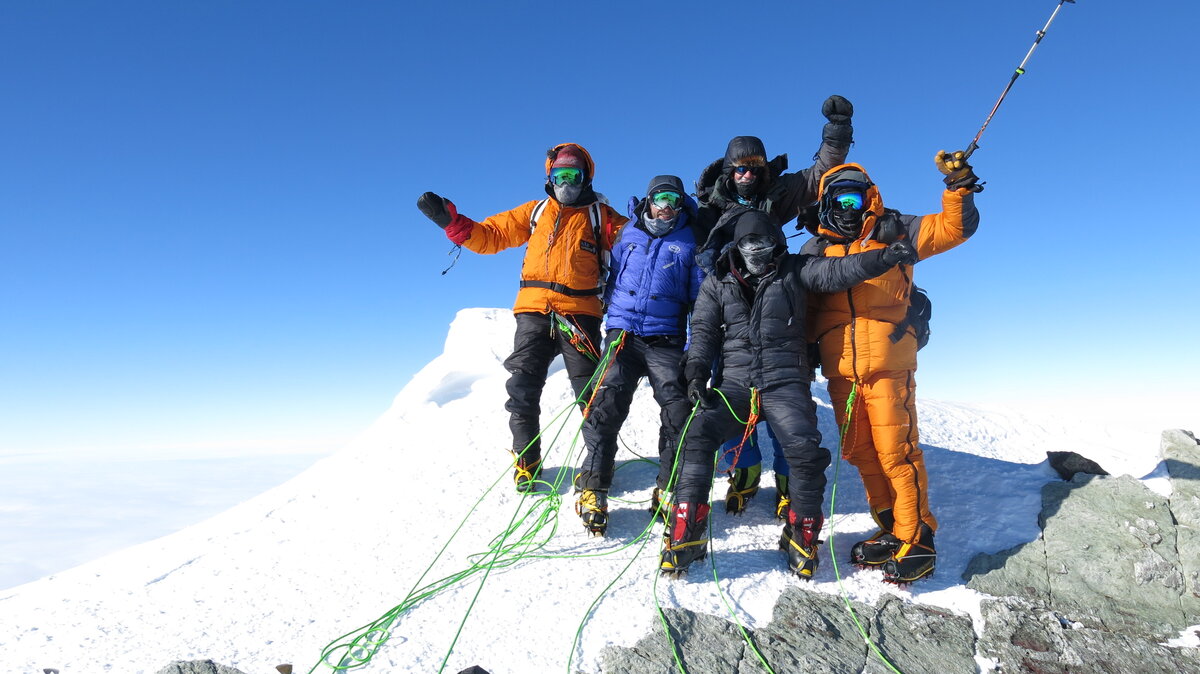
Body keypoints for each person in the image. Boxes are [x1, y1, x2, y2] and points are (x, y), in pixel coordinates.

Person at [660, 207, 916, 579]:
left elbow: (838, 271)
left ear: (777, 244)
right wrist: (697, 373)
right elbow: (703, 332)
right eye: (749, 242)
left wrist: (885, 257)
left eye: (764, 242)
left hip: (785, 383)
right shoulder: (717, 281)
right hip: (734, 385)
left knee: (804, 450)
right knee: (696, 434)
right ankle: (688, 530)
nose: (756, 249)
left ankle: (802, 532)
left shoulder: (795, 270)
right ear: (737, 245)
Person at [802, 153, 981, 584]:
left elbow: (955, 228)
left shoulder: (897, 230)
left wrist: (957, 187)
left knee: (896, 454)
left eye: (856, 197)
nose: (849, 208)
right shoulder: (816, 249)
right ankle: (891, 529)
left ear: (870, 197)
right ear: (826, 203)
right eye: (839, 200)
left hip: (888, 365)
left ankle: (917, 538)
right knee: (860, 452)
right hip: (841, 371)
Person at [416, 143, 627, 492]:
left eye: (573, 175)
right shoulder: (535, 212)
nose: (566, 182)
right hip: (533, 312)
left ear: (586, 177)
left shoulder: (602, 217)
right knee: (523, 390)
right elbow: (493, 235)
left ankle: (599, 464)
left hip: (580, 314)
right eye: (559, 175)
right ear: (549, 176)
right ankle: (526, 463)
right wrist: (452, 223)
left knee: (592, 395)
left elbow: (636, 246)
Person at [694, 94, 855, 514]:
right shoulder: (709, 208)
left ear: (765, 169)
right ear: (729, 171)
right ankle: (743, 471)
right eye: (740, 168)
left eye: (756, 167)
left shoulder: (779, 195)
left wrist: (836, 133)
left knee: (790, 400)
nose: (748, 174)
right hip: (729, 315)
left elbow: (823, 172)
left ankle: (788, 481)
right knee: (727, 398)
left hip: (778, 310)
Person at [574, 176, 704, 535]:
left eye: (674, 200)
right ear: (648, 200)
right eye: (660, 198)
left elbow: (698, 300)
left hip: (666, 338)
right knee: (605, 405)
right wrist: (609, 321)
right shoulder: (627, 234)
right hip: (623, 336)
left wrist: (694, 347)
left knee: (677, 409)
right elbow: (610, 276)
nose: (666, 206)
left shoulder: (689, 240)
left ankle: (667, 488)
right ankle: (593, 487)